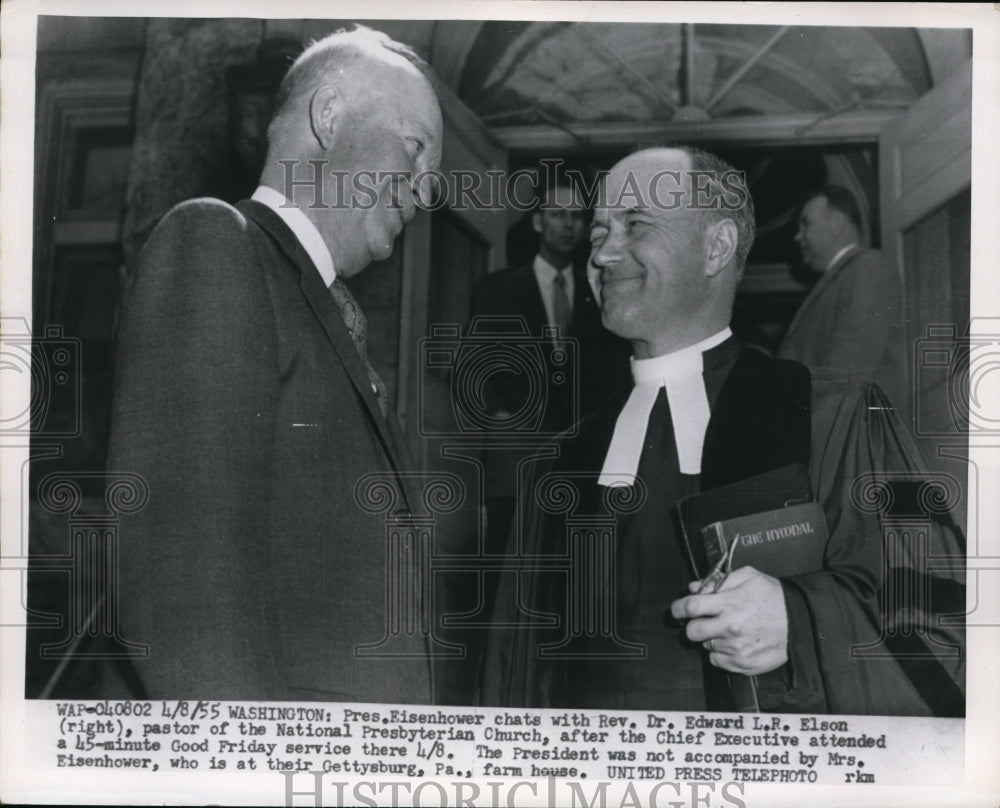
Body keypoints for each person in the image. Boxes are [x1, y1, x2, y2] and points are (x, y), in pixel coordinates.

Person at [482, 147, 964, 715]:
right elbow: (513, 685)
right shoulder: (559, 462)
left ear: (717, 247)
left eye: (635, 224)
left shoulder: (834, 416)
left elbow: (942, 626)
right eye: (598, 233)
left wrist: (800, 620)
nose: (604, 253)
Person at [106, 27, 443, 702]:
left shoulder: (322, 310)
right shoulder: (216, 245)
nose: (426, 193)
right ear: (328, 116)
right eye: (415, 150)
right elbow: (184, 600)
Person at [468, 182, 630, 556]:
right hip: (515, 457)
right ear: (539, 222)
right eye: (558, 214)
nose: (569, 225)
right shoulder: (496, 289)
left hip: (582, 456)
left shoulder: (603, 294)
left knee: (572, 566)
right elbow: (476, 364)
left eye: (577, 216)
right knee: (507, 562)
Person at [780, 185, 905, 406]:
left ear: (836, 223)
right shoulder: (845, 277)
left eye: (806, 223)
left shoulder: (868, 268)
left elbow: (845, 375)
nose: (798, 236)